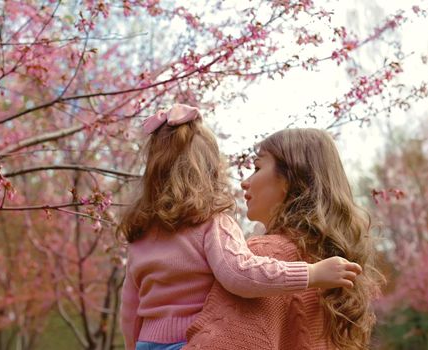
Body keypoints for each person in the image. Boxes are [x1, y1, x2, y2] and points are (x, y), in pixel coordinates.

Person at [119, 106, 362, 350]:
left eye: (256, 168)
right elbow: (239, 274)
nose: (244, 181)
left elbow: (129, 309)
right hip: (187, 340)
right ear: (210, 171)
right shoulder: (214, 223)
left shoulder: (139, 236)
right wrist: (310, 274)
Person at [185, 128, 384, 350]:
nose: (244, 182)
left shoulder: (262, 258)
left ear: (290, 178)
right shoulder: (333, 268)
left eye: (257, 168)